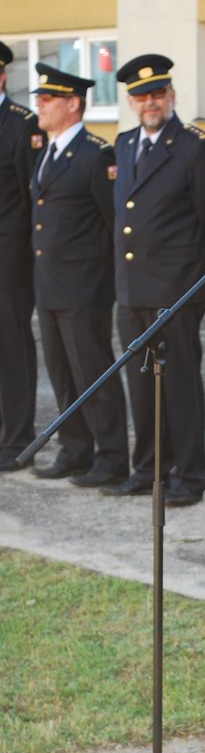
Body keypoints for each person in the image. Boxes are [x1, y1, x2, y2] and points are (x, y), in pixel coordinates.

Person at [104, 54, 205, 507]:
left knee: (179, 385)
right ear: (132, 102)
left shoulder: (196, 147)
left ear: (171, 95)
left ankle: (189, 478)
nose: (149, 102)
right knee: (141, 385)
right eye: (141, 96)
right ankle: (148, 469)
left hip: (176, 290)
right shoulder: (123, 143)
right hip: (131, 289)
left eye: (157, 93)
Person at [30, 63, 129, 486]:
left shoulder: (95, 155)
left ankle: (110, 457)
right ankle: (75, 449)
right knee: (62, 372)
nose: (39, 104)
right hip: (50, 285)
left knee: (93, 374)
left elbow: (112, 223)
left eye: (47, 98)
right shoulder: (47, 151)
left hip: (84, 287)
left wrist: (107, 282)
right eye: (39, 98)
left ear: (73, 104)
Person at [0, 41, 45, 472]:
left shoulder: (21, 124)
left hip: (7, 258)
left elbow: (35, 198)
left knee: (10, 348)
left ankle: (16, 439)